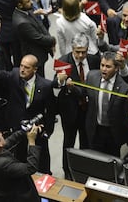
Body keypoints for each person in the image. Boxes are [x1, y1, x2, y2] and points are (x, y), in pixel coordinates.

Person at [0, 53, 56, 174]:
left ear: (35, 69)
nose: (22, 69)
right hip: (17, 127)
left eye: (27, 67)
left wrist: (47, 132)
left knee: (42, 159)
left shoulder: (45, 85)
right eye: (21, 66)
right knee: (19, 158)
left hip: (36, 129)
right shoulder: (14, 75)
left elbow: (51, 111)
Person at [54, 33, 100, 179]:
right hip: (70, 111)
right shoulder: (63, 62)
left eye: (84, 51)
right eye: (77, 51)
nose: (81, 55)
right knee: (69, 142)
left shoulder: (94, 60)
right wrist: (61, 82)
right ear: (72, 49)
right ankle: (67, 171)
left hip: (89, 110)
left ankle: (83, 169)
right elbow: (54, 87)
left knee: (86, 141)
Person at [80, 51, 128, 156]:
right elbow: (82, 94)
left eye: (108, 66)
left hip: (114, 132)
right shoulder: (92, 77)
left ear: (116, 68)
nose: (104, 69)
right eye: (102, 65)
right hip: (95, 129)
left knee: (112, 163)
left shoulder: (125, 85)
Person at [0, 126, 42, 202]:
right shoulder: (3, 164)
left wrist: (24, 131)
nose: (2, 134)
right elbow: (31, 167)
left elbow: (8, 142)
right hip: (17, 196)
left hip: (2, 190)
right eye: (1, 136)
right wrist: (31, 141)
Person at [11, 0, 56, 77]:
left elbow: (40, 24)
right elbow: (38, 38)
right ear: (20, 5)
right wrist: (52, 40)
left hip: (39, 52)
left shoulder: (26, 10)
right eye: (28, 1)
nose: (31, 2)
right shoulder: (22, 22)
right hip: (34, 56)